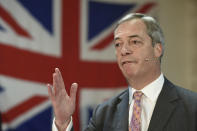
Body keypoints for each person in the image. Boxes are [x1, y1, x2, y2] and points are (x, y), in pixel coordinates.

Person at [47, 13, 197, 131]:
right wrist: (63, 122)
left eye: (134, 42)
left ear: (157, 49)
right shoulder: (105, 112)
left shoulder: (192, 106)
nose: (124, 50)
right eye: (118, 44)